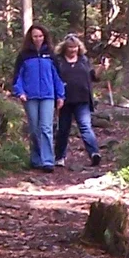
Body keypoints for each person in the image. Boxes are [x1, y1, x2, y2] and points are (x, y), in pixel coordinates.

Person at [10, 24, 65, 171]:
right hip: (30, 97)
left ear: (44, 37)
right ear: (30, 37)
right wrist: (20, 92)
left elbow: (57, 77)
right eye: (35, 36)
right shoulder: (24, 56)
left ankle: (48, 161)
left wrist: (60, 95)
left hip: (48, 96)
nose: (38, 39)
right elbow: (17, 77)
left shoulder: (51, 55)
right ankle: (36, 159)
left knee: (46, 128)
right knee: (34, 129)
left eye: (40, 36)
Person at [54, 34, 101, 168]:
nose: (72, 50)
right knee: (63, 129)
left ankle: (94, 153)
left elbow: (94, 76)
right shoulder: (59, 61)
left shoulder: (84, 60)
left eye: (75, 47)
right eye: (70, 47)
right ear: (64, 47)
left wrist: (103, 67)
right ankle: (59, 157)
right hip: (64, 100)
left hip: (82, 99)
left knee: (85, 126)